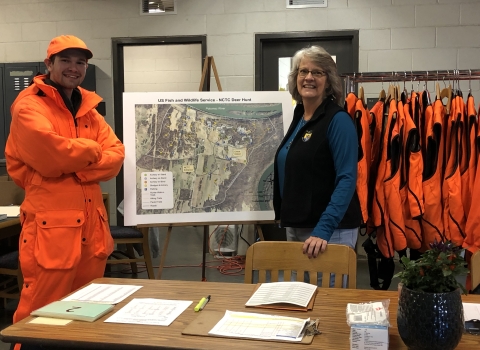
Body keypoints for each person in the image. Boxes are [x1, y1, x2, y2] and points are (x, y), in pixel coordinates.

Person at [5, 35, 125, 333]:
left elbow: (116, 156)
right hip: (51, 232)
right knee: (41, 315)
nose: (74, 68)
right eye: (66, 60)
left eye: (80, 62)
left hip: (92, 231)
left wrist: (76, 164)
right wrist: (91, 151)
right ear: (49, 63)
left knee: (88, 310)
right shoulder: (29, 107)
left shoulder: (89, 110)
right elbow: (50, 157)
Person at [273, 45, 361, 263]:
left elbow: (347, 178)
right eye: (303, 71)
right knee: (300, 294)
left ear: (328, 81)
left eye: (317, 72)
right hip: (298, 227)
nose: (308, 77)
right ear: (295, 78)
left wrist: (324, 229)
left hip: (328, 233)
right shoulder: (300, 116)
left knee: (325, 297)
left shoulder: (338, 121)